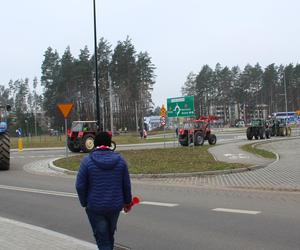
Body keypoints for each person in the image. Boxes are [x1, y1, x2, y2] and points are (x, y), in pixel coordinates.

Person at [76, 131, 132, 250]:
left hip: (95, 207)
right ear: (110, 143)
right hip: (115, 206)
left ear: (95, 143)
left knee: (102, 239)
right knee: (109, 236)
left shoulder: (87, 161)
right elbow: (126, 185)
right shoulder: (121, 161)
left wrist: (84, 202)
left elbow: (80, 186)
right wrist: (127, 202)